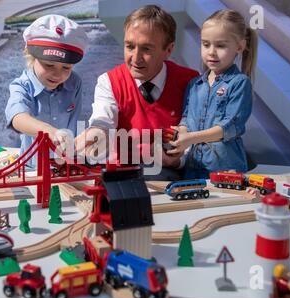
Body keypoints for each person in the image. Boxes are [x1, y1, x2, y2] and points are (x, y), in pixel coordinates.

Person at [75, 5, 199, 180]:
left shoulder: (191, 82)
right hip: (121, 173)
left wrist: (178, 161)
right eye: (130, 46)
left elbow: (196, 137)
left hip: (166, 173)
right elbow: (103, 120)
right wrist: (97, 132)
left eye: (146, 49)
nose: (135, 57)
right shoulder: (108, 81)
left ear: (168, 50)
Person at [168, 9, 258, 179]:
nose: (211, 52)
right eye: (206, 44)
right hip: (193, 168)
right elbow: (187, 120)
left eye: (221, 45)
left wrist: (190, 138)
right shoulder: (195, 84)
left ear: (240, 46)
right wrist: (178, 134)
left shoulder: (239, 83)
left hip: (227, 169)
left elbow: (229, 128)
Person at [5, 15, 88, 168]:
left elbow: (75, 123)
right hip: (33, 168)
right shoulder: (21, 86)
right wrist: (50, 132)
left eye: (66, 67)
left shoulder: (75, 83)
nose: (58, 74)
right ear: (31, 57)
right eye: (49, 65)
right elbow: (17, 118)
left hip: (64, 166)